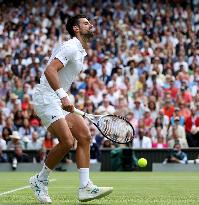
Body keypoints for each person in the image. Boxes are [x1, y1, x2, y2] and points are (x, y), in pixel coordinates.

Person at [29, 14, 113, 204]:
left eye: (89, 22)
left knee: (84, 136)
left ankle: (85, 188)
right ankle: (39, 180)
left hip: (57, 99)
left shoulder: (81, 50)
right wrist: (63, 95)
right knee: (67, 142)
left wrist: (63, 96)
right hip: (46, 98)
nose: (90, 25)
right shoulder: (71, 47)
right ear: (76, 28)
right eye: (85, 23)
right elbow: (49, 70)